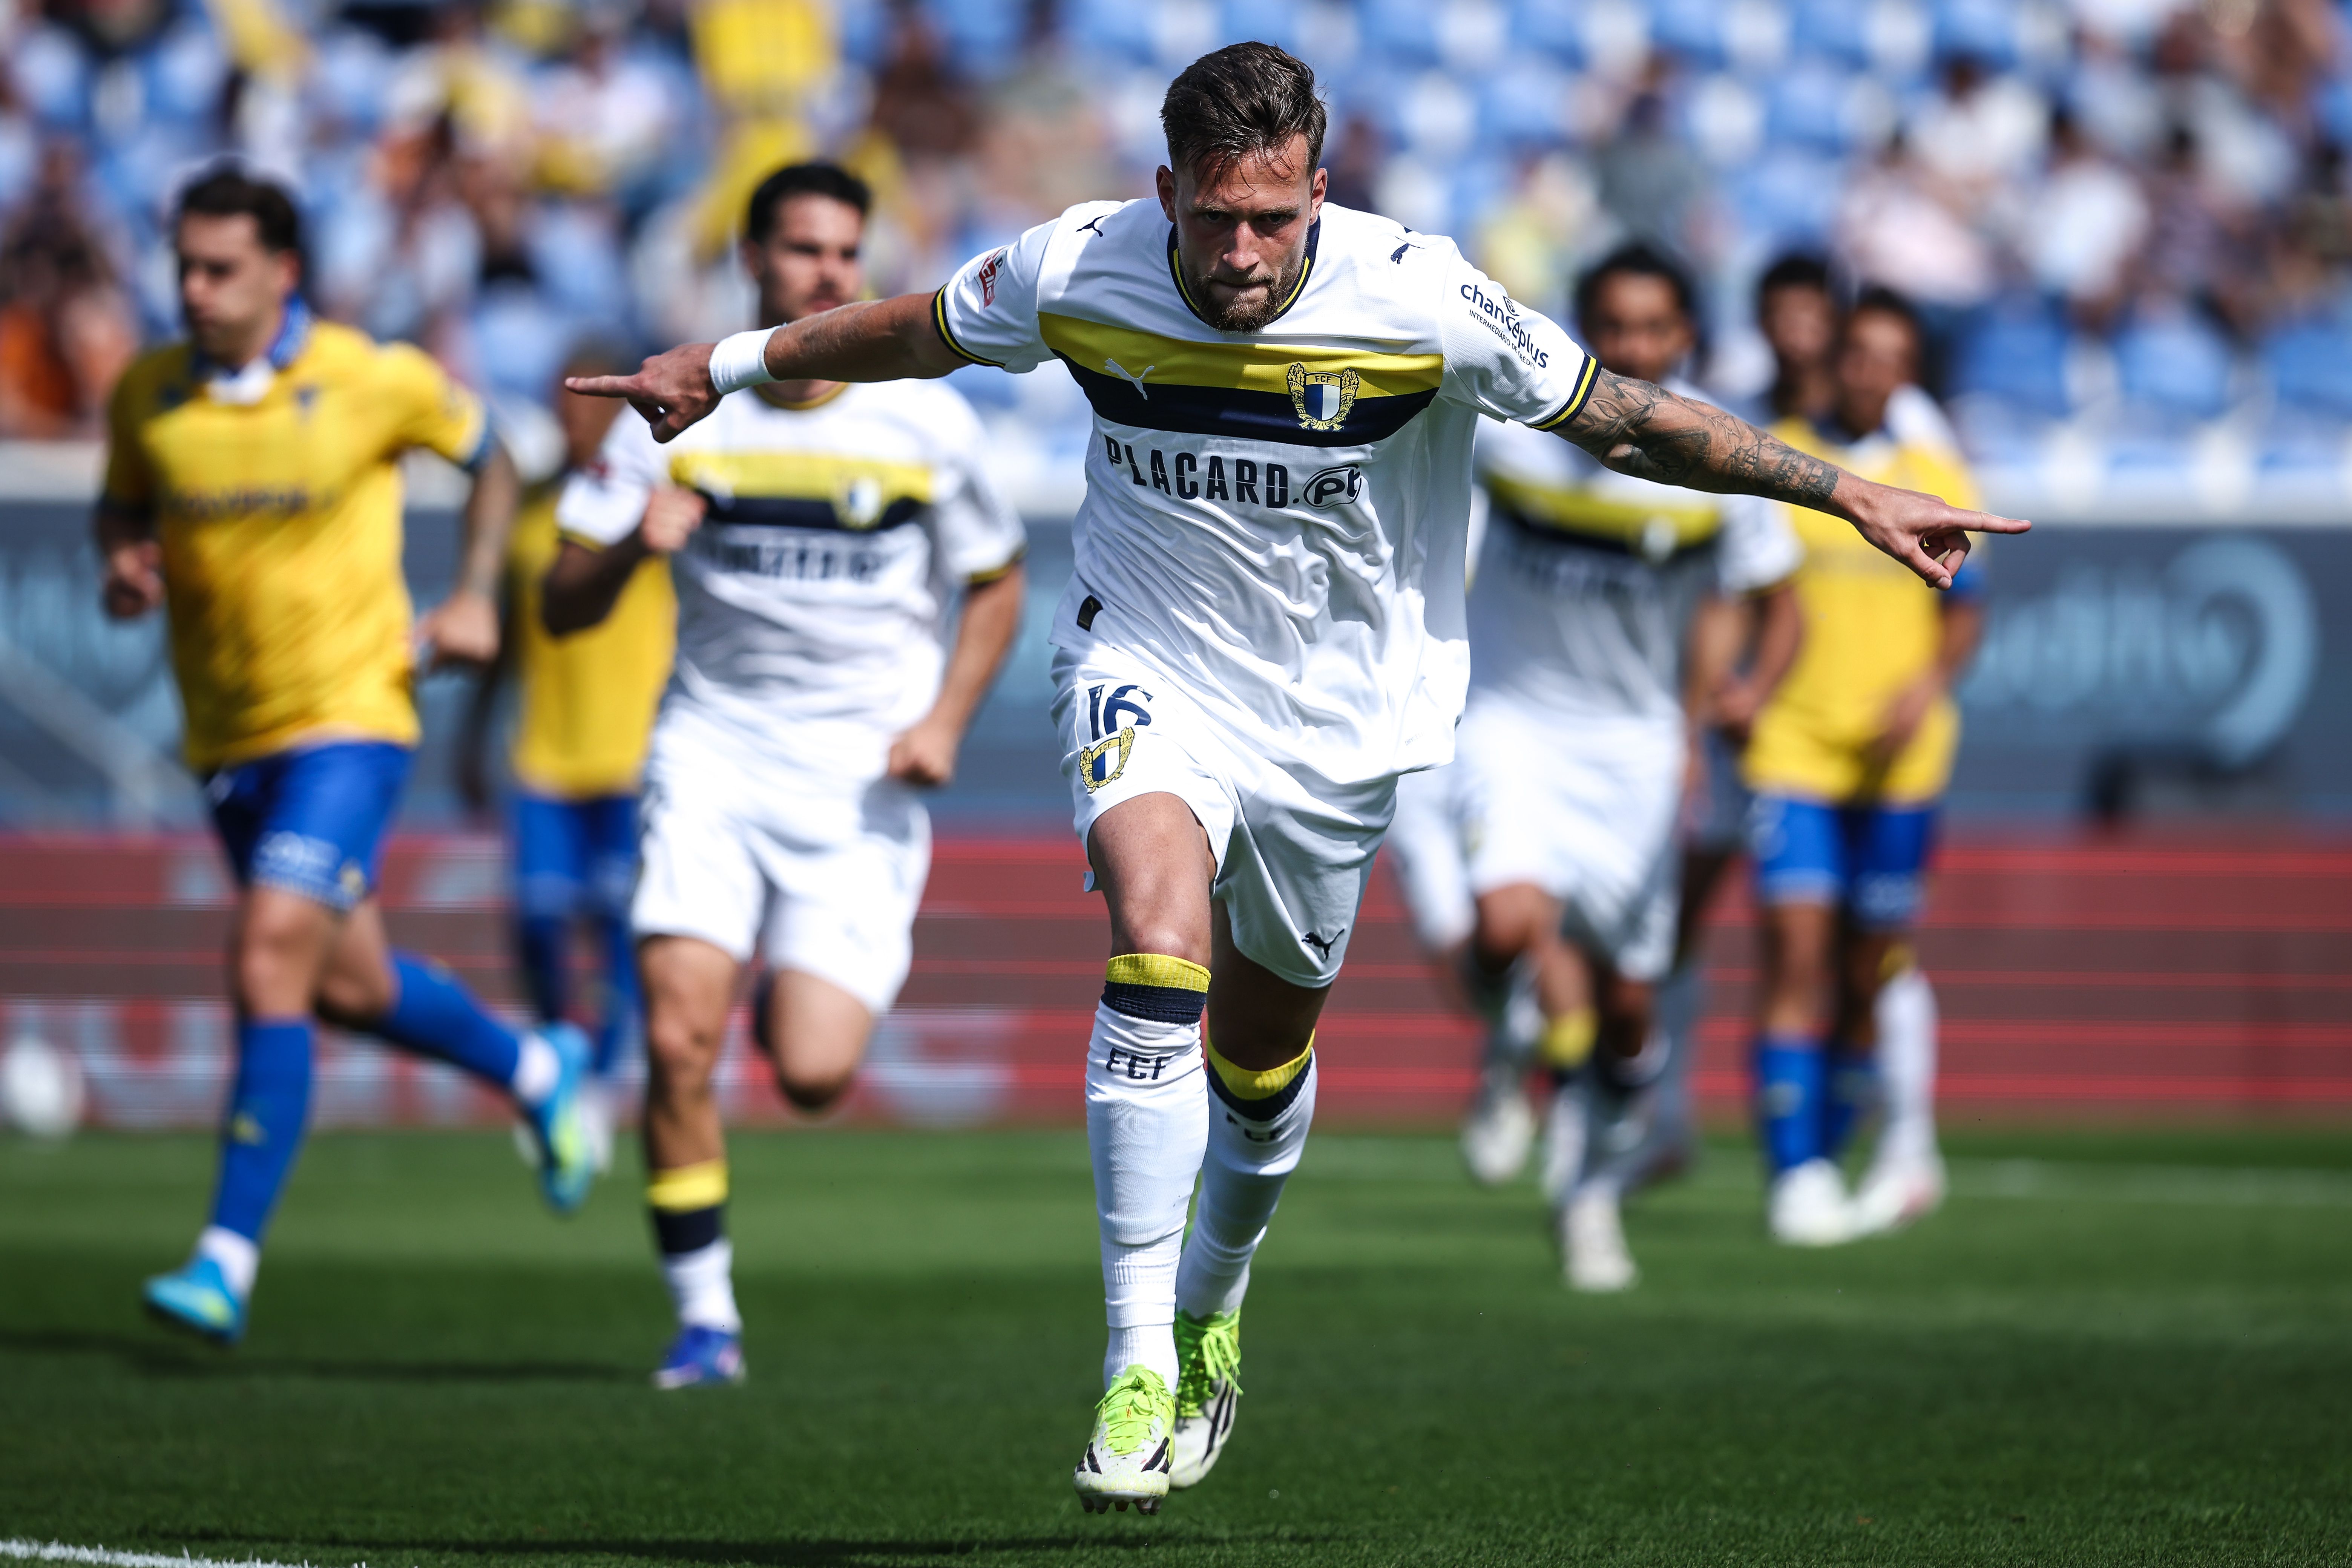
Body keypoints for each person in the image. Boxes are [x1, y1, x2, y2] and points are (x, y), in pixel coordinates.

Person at [569, 44, 2019, 1511]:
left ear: (1319, 190)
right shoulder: (1080, 264)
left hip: (1338, 730)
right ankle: (1134, 1358)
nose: (1244, 252)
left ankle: (1210, 1306)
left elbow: (1627, 418)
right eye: (1214, 220)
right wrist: (731, 362)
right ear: (1165, 195)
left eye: (1273, 217)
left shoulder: (1421, 297)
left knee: (1256, 1073)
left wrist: (1841, 490)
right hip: (1147, 667)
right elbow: (913, 331)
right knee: (1153, 942)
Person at [540, 162, 1026, 1391]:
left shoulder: (925, 418)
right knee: (676, 1037)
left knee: (812, 1072)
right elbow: (559, 601)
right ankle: (704, 1323)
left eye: (844, 255)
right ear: (751, 266)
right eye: (803, 253)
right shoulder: (676, 404)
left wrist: (944, 719)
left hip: (860, 783)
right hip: (711, 755)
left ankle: (788, 993)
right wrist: (624, 559)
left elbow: (997, 582)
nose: (829, 276)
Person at [97, 164, 598, 1347]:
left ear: (284, 272)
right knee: (344, 983)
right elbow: (121, 506)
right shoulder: (149, 396)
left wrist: (476, 595)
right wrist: (125, 560)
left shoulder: (371, 378)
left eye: (220, 268)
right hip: (226, 741)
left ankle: (223, 1261)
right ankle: (534, 1070)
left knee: (271, 948)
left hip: (353, 718)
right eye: (184, 265)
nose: (195, 288)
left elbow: (500, 459)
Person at [1446, 243, 1804, 1293]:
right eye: (1613, 326)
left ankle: (1589, 1195)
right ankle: (1512, 1040)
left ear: (1684, 337)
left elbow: (1768, 597)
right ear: (1582, 328)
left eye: (1653, 329)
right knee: (1509, 923)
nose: (1632, 347)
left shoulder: (1716, 460)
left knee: (1630, 1012)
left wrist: (1736, 697)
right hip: (1512, 722)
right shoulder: (1512, 433)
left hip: (1640, 750)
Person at [1745, 287, 1984, 1245]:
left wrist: (1923, 689)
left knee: (1867, 968)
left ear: (1909, 369)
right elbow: (1751, 591)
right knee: (1795, 957)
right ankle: (1791, 1173)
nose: (1870, 369)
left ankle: (1834, 1152)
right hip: (1793, 746)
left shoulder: (1934, 472)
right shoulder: (1783, 457)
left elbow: (1966, 609)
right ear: (1833, 357)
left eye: (1892, 354)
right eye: (1858, 351)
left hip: (1901, 760)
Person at [459, 343, 677, 1171]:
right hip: (544, 755)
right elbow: (510, 638)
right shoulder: (526, 511)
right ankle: (558, 1056)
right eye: (563, 400)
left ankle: (599, 1089)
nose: (572, 414)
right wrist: (478, 736)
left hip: (631, 757)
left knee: (620, 931)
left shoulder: (648, 495)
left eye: (588, 401)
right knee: (539, 921)